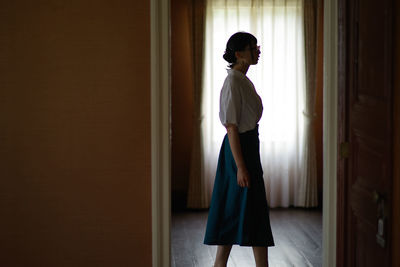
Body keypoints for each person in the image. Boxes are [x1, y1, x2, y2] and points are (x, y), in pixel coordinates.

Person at [203, 32, 274, 267]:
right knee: (233, 210)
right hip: (239, 152)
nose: (258, 51)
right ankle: (219, 264)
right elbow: (231, 127)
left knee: (251, 209)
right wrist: (241, 167)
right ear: (239, 54)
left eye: (257, 46)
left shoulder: (242, 79)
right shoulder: (233, 81)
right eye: (253, 47)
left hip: (248, 148)